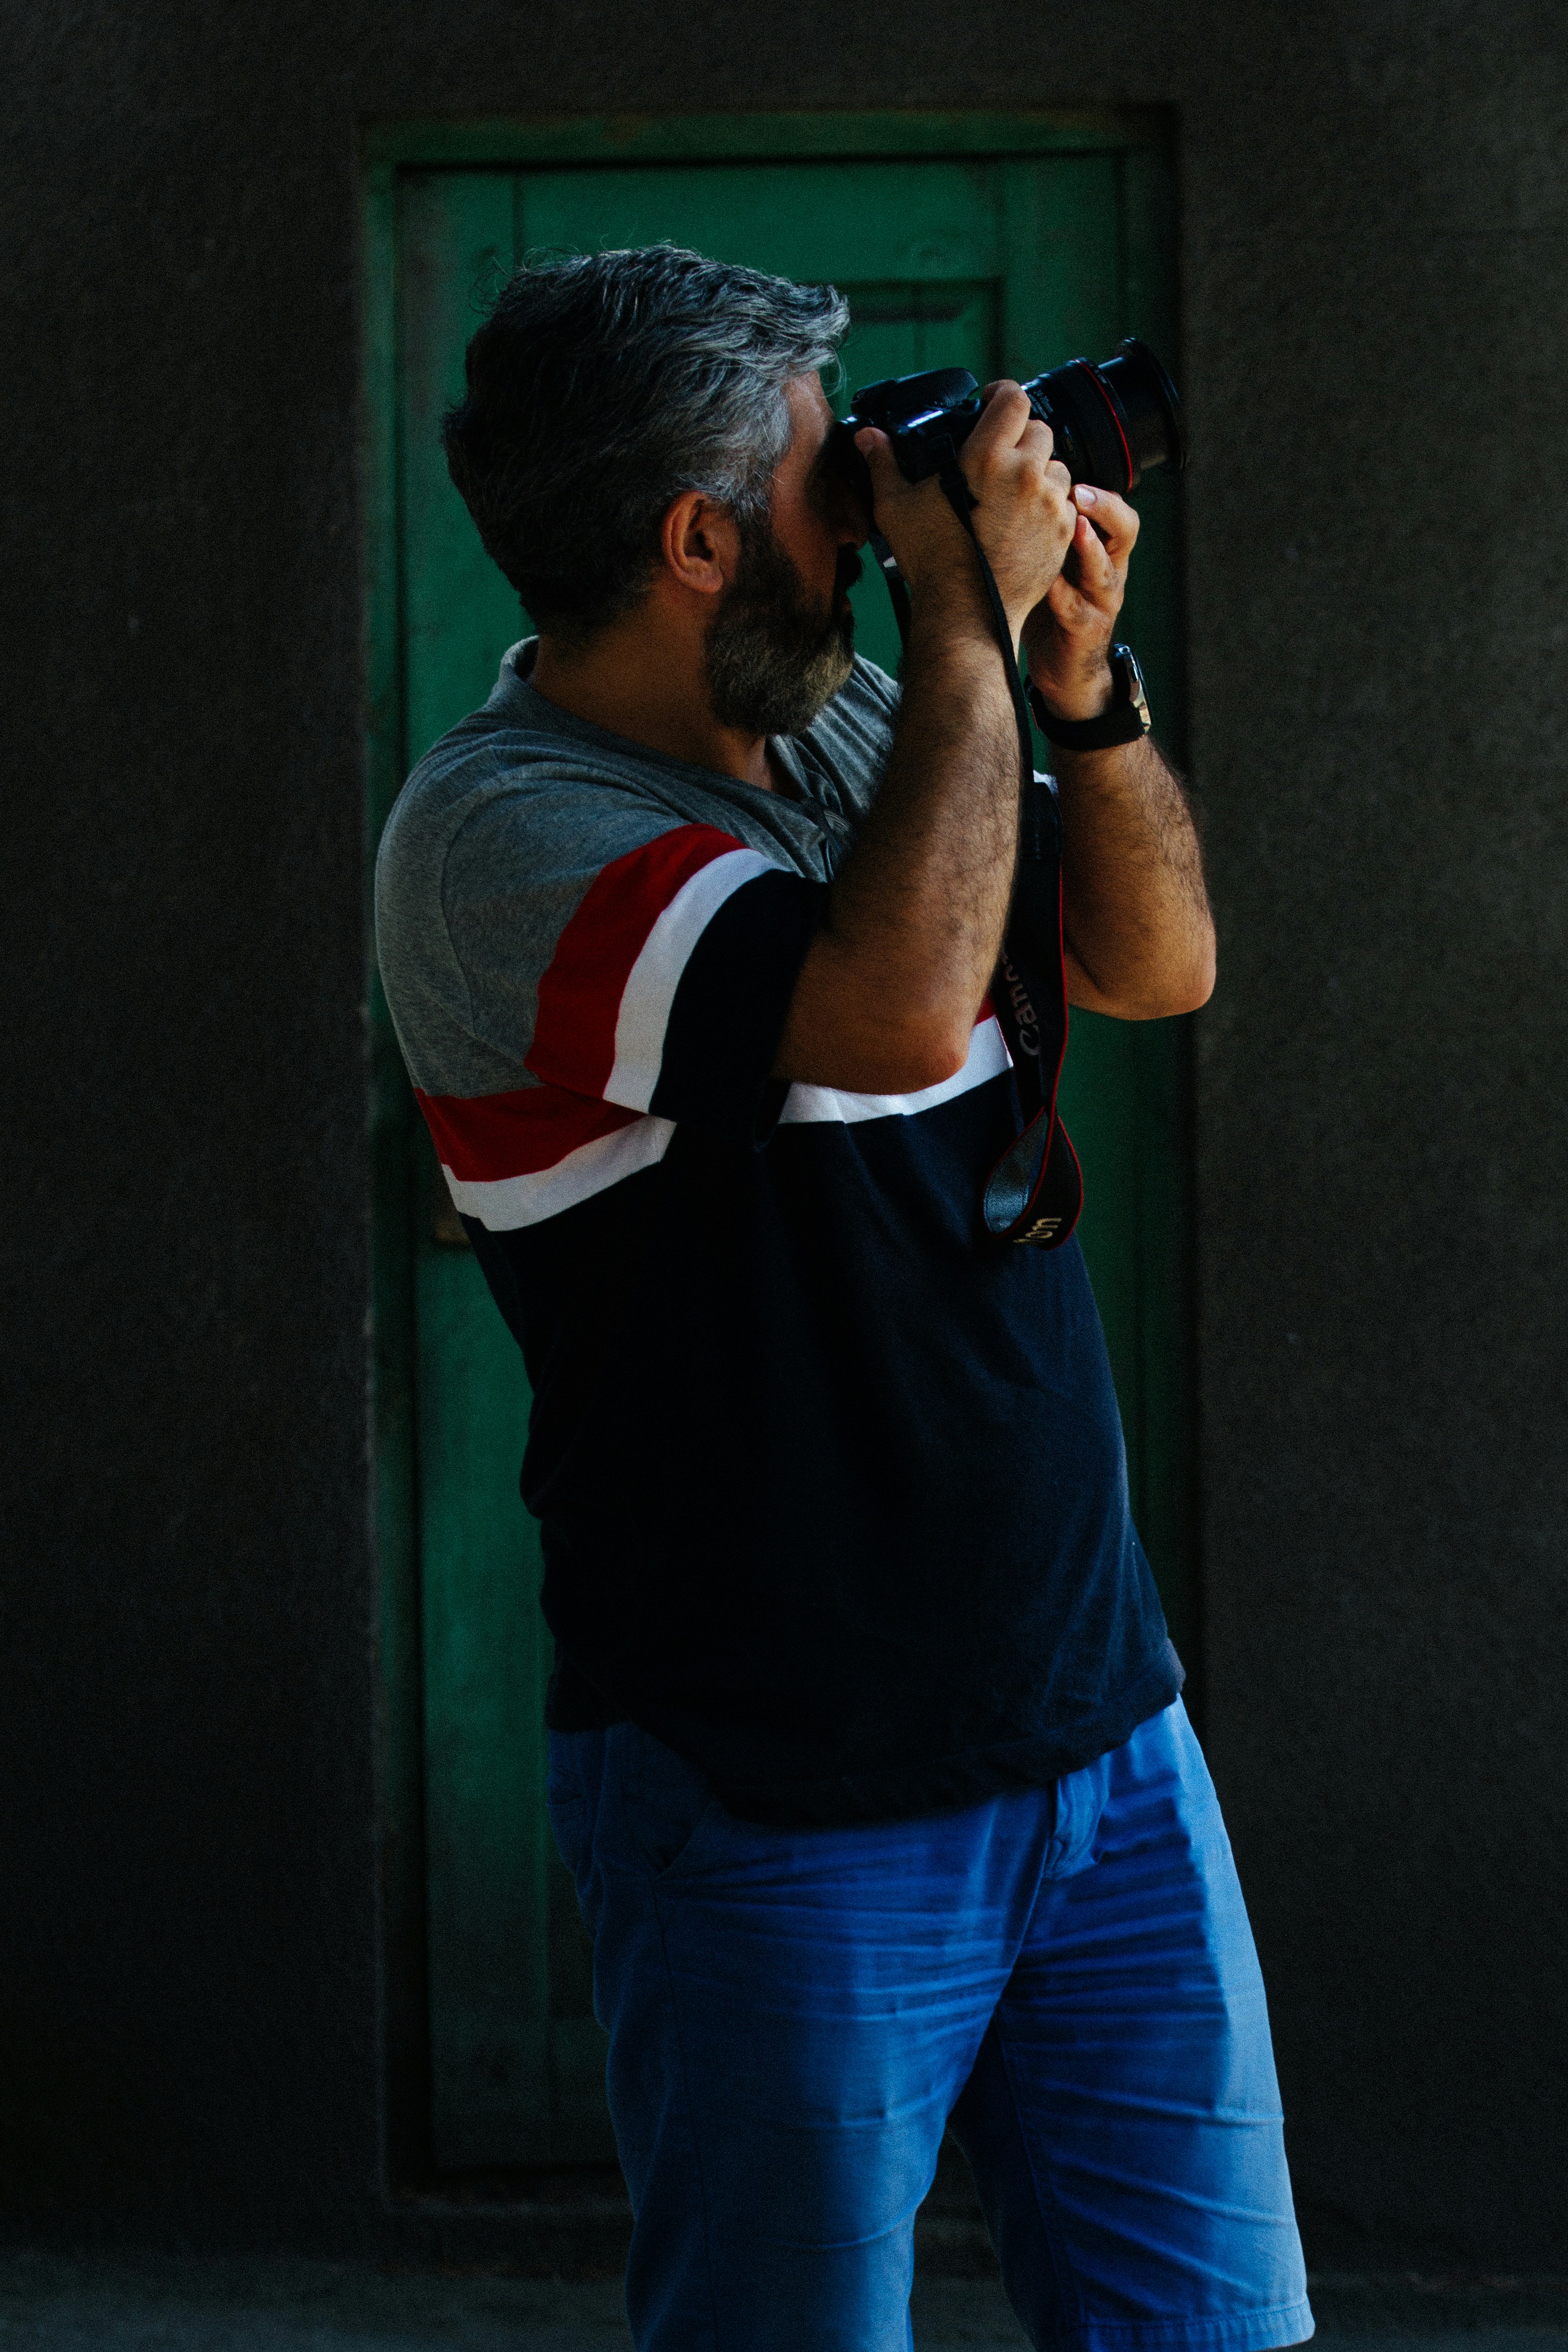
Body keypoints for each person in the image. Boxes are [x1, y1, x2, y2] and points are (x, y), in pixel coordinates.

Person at [375, 246, 1311, 2352]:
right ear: (698, 541)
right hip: (781, 1785)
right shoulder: (504, 832)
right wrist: (960, 622)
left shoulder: (855, 727)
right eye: (831, 475)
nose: (877, 501)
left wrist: (1077, 680)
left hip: (1102, 1738)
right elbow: (885, 1013)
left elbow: (1154, 962)